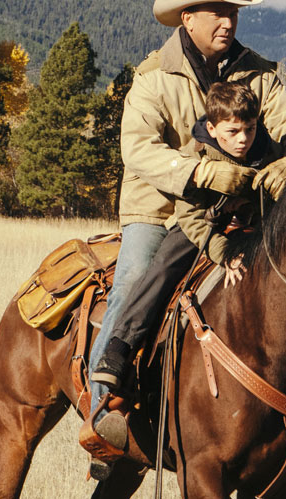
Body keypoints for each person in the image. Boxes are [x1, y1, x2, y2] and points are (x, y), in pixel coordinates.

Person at [79, 0, 286, 478]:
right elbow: (138, 149)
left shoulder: (257, 72)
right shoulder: (154, 76)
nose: (228, 20)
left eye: (233, 10)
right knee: (137, 281)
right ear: (187, 17)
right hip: (165, 209)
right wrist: (203, 173)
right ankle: (107, 410)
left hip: (248, 208)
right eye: (217, 10)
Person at [92, 81, 276, 391]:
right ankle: (120, 346)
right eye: (233, 132)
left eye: (250, 129)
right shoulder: (201, 160)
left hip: (253, 228)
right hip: (202, 229)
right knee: (162, 266)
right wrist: (224, 252)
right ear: (213, 129)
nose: (243, 139)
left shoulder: (266, 153)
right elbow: (191, 219)